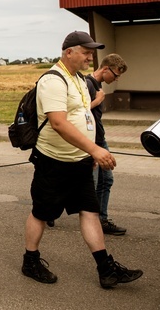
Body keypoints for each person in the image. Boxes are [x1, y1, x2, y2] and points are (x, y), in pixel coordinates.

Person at [21, 31, 142, 289]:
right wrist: (95, 149)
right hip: (53, 162)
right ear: (69, 52)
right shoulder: (53, 80)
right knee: (41, 213)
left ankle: (105, 268)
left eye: (91, 52)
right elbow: (58, 123)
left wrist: (89, 151)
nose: (90, 57)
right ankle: (30, 261)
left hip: (79, 161)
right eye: (86, 52)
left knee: (90, 211)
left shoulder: (78, 79)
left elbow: (83, 117)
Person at [85, 54, 128, 235]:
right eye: (116, 75)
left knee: (106, 179)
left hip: (100, 140)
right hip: (91, 142)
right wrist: (98, 100)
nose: (117, 79)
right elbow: (79, 112)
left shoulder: (98, 85)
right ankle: (92, 222)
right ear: (105, 69)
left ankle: (101, 220)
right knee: (92, 183)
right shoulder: (87, 84)